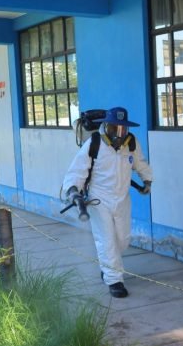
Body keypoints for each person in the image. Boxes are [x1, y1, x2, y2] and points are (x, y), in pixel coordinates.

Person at [62, 107, 152, 298]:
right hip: (99, 200)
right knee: (107, 240)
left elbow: (140, 163)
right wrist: (73, 190)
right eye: (115, 129)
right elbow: (76, 171)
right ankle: (114, 280)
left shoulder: (132, 143)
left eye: (122, 129)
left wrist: (147, 180)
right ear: (107, 127)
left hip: (122, 199)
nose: (119, 134)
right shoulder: (94, 143)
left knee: (122, 240)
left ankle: (108, 265)